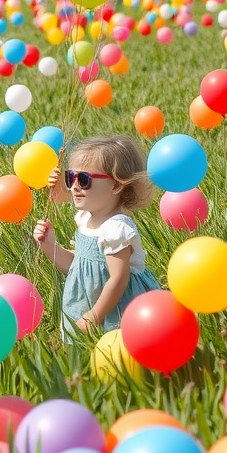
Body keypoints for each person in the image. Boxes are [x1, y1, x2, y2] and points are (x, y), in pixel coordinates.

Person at [33, 136, 159, 338]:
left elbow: (119, 279)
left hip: (117, 310)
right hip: (86, 304)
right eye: (70, 177)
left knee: (115, 357)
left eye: (84, 180)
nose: (74, 186)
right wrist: (50, 245)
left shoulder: (116, 230)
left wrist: (93, 316)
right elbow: (76, 268)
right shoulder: (84, 219)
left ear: (116, 186)